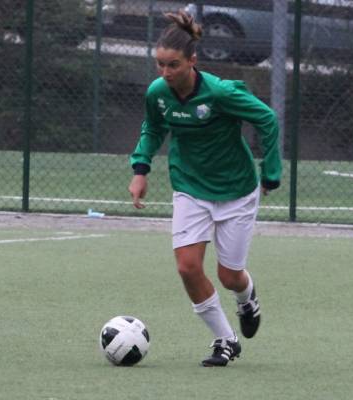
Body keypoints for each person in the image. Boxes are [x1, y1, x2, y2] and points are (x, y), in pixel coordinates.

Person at [128, 10, 282, 367]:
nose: (166, 72)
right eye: (160, 64)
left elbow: (267, 118)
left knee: (230, 276)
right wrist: (140, 170)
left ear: (192, 61)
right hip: (190, 187)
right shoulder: (158, 93)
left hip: (237, 191)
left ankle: (247, 298)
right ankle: (225, 340)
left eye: (173, 65)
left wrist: (271, 171)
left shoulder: (221, 92)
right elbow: (153, 128)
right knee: (187, 267)